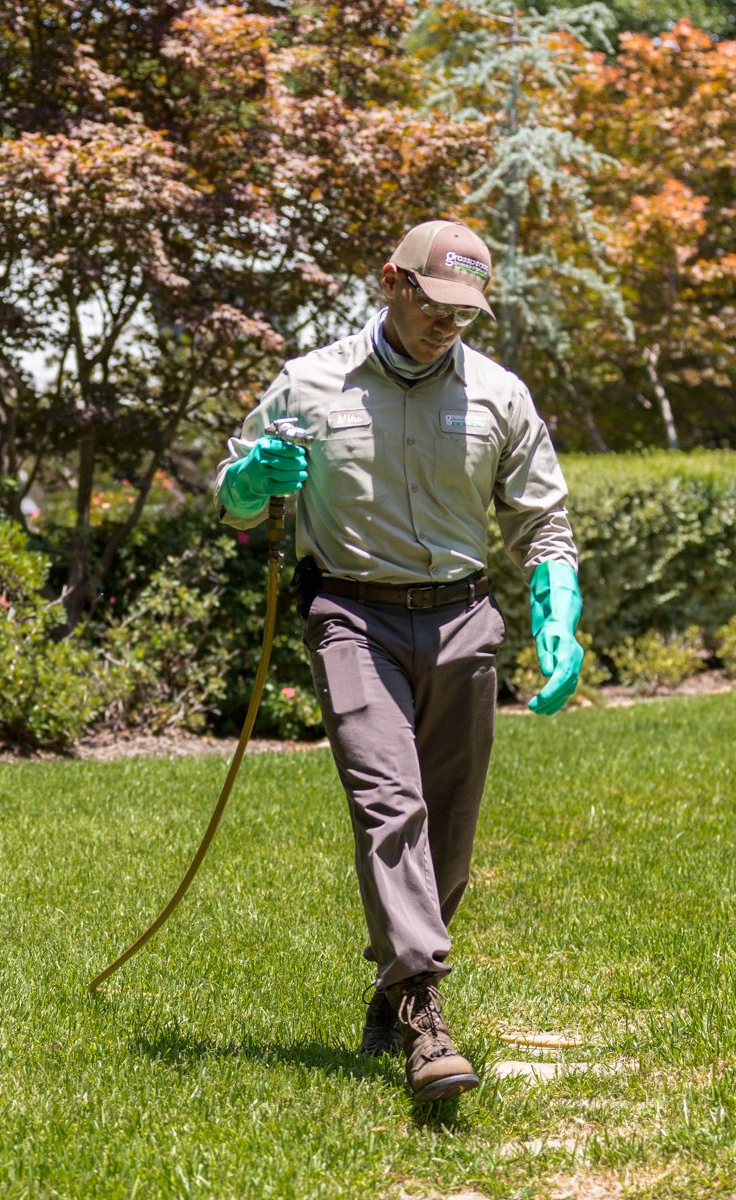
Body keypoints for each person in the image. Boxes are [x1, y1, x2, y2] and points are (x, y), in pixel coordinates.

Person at [214, 218, 584, 1104]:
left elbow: (543, 522)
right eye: (435, 305)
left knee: (448, 832)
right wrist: (252, 480)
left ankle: (391, 988)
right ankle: (424, 1012)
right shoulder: (307, 384)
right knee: (391, 801)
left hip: (462, 620)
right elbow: (232, 504)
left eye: (465, 313)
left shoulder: (498, 395)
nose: (447, 325)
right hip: (352, 614)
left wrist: (557, 610)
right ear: (392, 281)